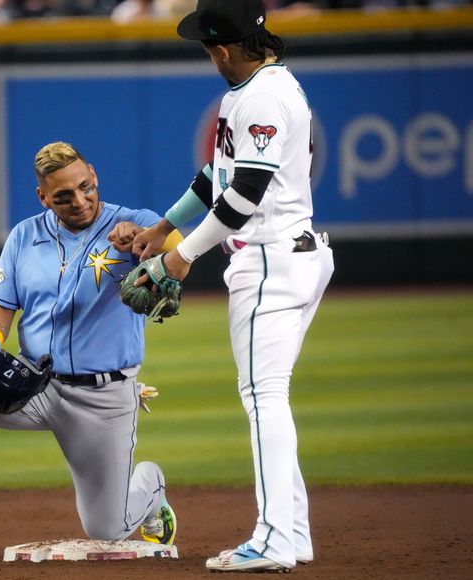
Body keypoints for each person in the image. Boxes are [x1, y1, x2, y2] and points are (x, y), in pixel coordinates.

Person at [0, 141, 182, 571]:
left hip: (103, 399)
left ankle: (151, 486)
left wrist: (149, 243)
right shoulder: (24, 236)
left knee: (106, 526)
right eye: (63, 195)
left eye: (85, 187)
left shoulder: (136, 222)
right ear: (43, 197)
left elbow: (184, 253)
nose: (80, 201)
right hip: (33, 387)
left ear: (94, 173)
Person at [125, 0, 335, 572]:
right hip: (289, 256)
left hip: (270, 260)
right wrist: (165, 227)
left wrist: (181, 256)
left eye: (206, 45)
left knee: (263, 398)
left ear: (222, 47)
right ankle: (291, 532)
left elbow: (243, 197)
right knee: (267, 395)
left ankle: (273, 540)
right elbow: (215, 176)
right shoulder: (255, 88)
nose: (207, 54)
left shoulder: (264, 95)